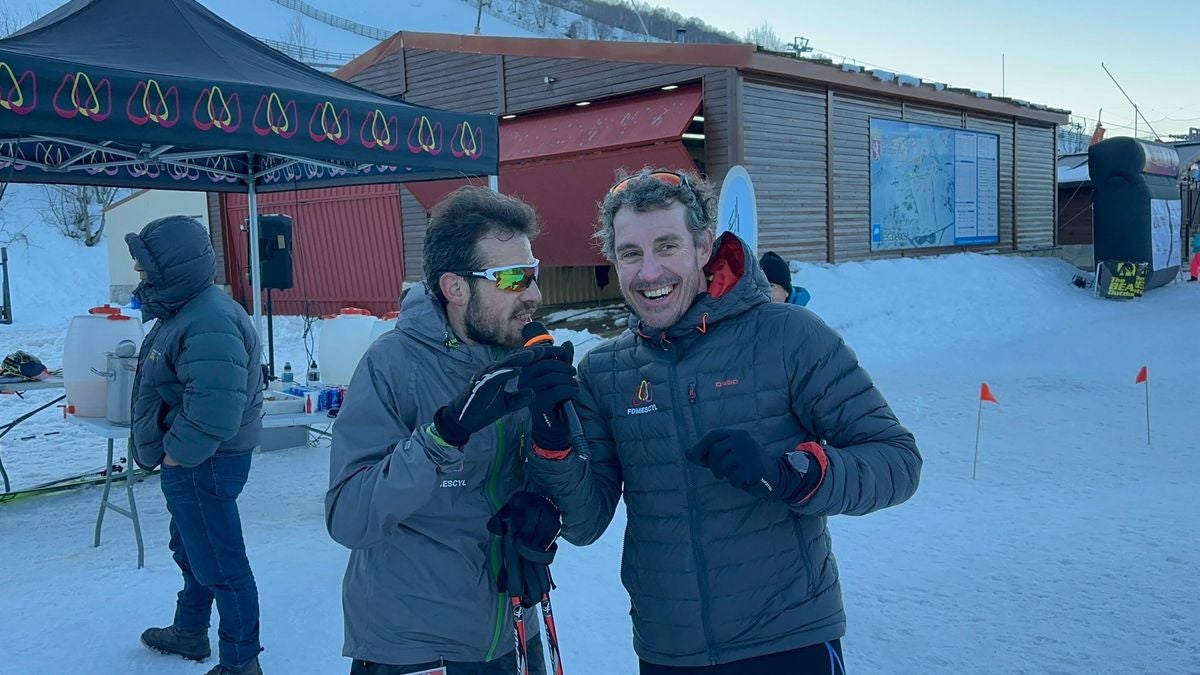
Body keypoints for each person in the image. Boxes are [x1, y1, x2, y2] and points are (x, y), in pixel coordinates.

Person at [523, 168, 923, 674]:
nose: (649, 273)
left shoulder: (787, 336)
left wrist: (789, 473)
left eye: (667, 246)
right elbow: (583, 522)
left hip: (787, 641)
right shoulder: (606, 371)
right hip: (670, 650)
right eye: (631, 254)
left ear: (704, 245)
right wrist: (553, 443)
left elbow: (896, 461)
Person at [326, 186, 561, 675]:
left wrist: (554, 464)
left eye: (533, 274)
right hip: (415, 647)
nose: (534, 294)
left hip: (512, 630)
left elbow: (582, 516)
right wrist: (443, 436)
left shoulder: (523, 358)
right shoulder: (391, 364)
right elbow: (349, 516)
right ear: (456, 288)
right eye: (514, 278)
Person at [127, 216, 265, 675]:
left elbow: (215, 409)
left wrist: (176, 454)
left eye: (147, 269)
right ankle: (189, 630)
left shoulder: (209, 318)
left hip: (204, 461)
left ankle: (241, 663)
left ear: (174, 267)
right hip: (194, 460)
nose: (141, 277)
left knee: (222, 564)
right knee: (193, 549)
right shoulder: (187, 310)